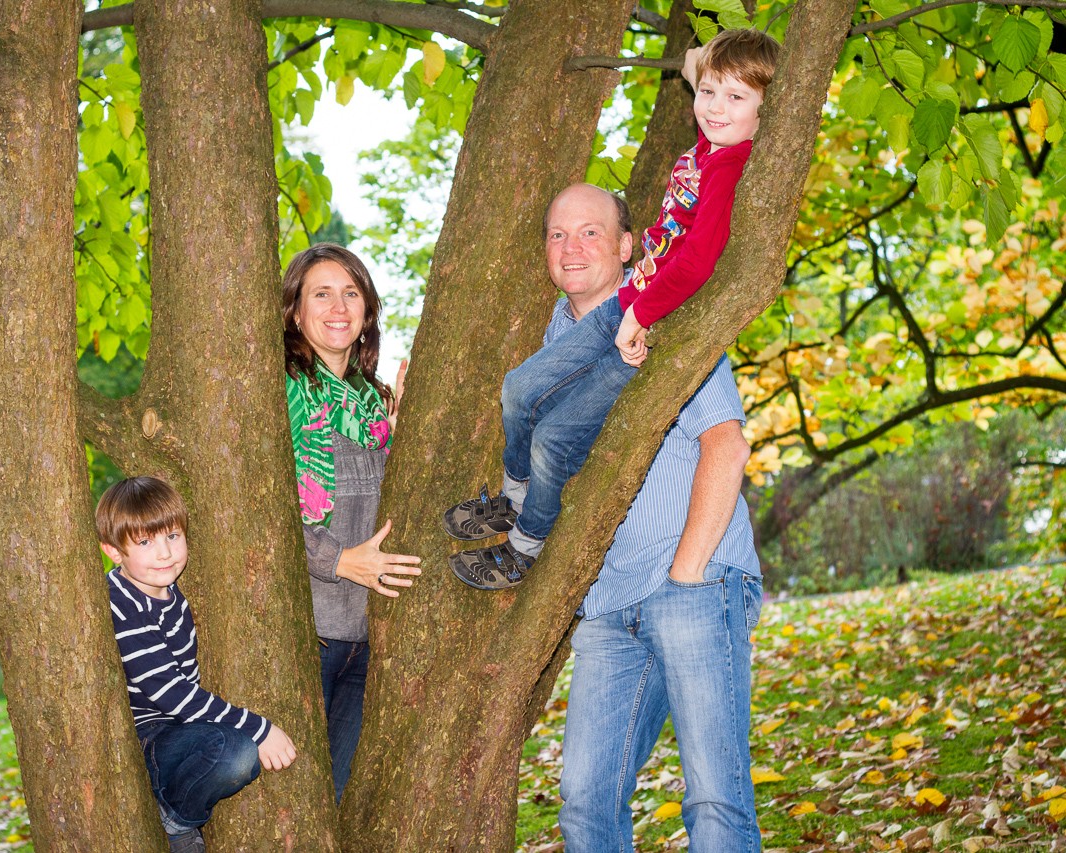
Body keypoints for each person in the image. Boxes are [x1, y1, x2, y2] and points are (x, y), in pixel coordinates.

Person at [444, 27, 780, 591]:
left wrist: (640, 315)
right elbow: (700, 65)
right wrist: (711, 67)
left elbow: (697, 262)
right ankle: (515, 497)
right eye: (709, 92)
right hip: (624, 305)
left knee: (555, 438)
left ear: (766, 111)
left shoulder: (726, 169)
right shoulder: (705, 150)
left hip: (638, 317)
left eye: (737, 97)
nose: (715, 107)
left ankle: (525, 545)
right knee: (520, 389)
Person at [281, 243, 421, 802]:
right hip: (303, 634)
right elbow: (260, 520)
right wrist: (338, 559)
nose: (338, 307)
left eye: (351, 293)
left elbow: (394, 501)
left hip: (371, 641)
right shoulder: (278, 394)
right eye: (321, 293)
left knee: (331, 806)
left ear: (367, 310)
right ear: (295, 310)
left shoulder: (375, 405)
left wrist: (406, 432)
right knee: (287, 809)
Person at [97, 476, 296, 853]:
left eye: (172, 536)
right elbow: (171, 693)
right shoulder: (121, 603)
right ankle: (174, 822)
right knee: (236, 751)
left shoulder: (172, 598)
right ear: (113, 551)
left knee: (235, 751)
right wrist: (260, 727)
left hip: (179, 734)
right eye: (145, 542)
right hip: (149, 738)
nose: (165, 553)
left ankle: (176, 811)